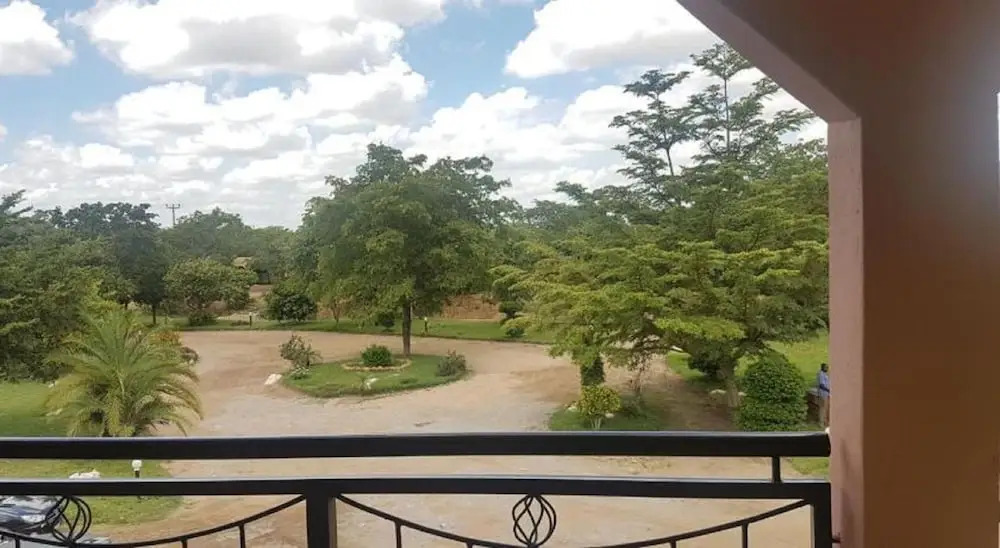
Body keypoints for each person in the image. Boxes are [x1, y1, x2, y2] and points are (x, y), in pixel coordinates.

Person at [816, 363, 831, 427]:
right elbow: (821, 385)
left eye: (827, 367)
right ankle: (821, 423)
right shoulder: (821, 374)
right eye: (825, 367)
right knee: (822, 408)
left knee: (827, 408)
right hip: (823, 394)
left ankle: (826, 422)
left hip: (827, 394)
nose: (827, 368)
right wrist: (829, 390)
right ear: (822, 367)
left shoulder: (825, 374)